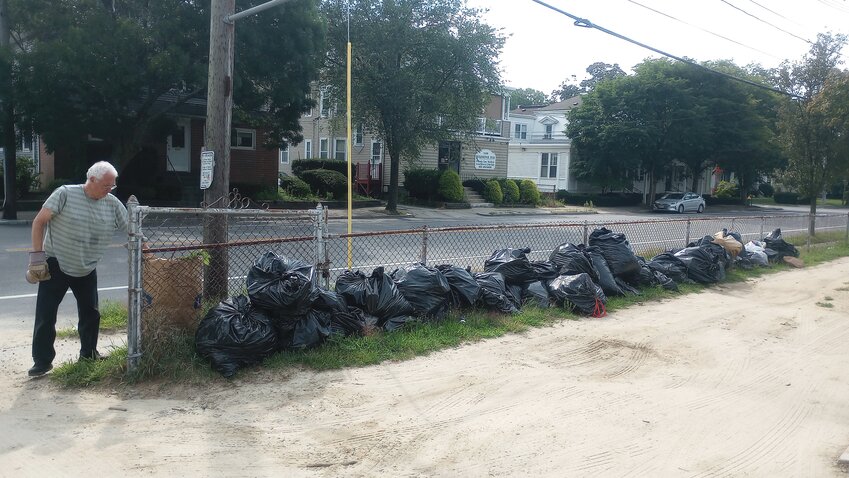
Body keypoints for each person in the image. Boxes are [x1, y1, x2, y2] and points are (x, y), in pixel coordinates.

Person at [26, 161, 128, 377]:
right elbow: (39, 222)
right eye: (106, 186)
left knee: (91, 314)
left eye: (112, 186)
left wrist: (146, 250)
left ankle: (89, 354)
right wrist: (37, 259)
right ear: (91, 180)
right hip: (56, 263)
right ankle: (42, 361)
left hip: (87, 267)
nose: (109, 190)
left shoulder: (112, 203)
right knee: (46, 314)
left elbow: (132, 229)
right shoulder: (64, 194)